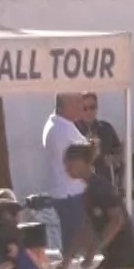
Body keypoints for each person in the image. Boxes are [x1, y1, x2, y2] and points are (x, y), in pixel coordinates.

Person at [43, 93, 92, 253]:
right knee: (76, 248)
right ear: (64, 105)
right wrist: (92, 149)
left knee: (77, 245)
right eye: (77, 102)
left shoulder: (63, 124)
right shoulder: (59, 129)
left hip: (71, 195)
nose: (82, 106)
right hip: (69, 197)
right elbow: (80, 161)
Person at [78, 93, 124, 193]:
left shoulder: (106, 128)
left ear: (97, 107)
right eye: (84, 108)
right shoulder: (72, 130)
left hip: (104, 184)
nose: (88, 112)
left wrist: (113, 159)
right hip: (81, 188)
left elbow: (119, 152)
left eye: (92, 107)